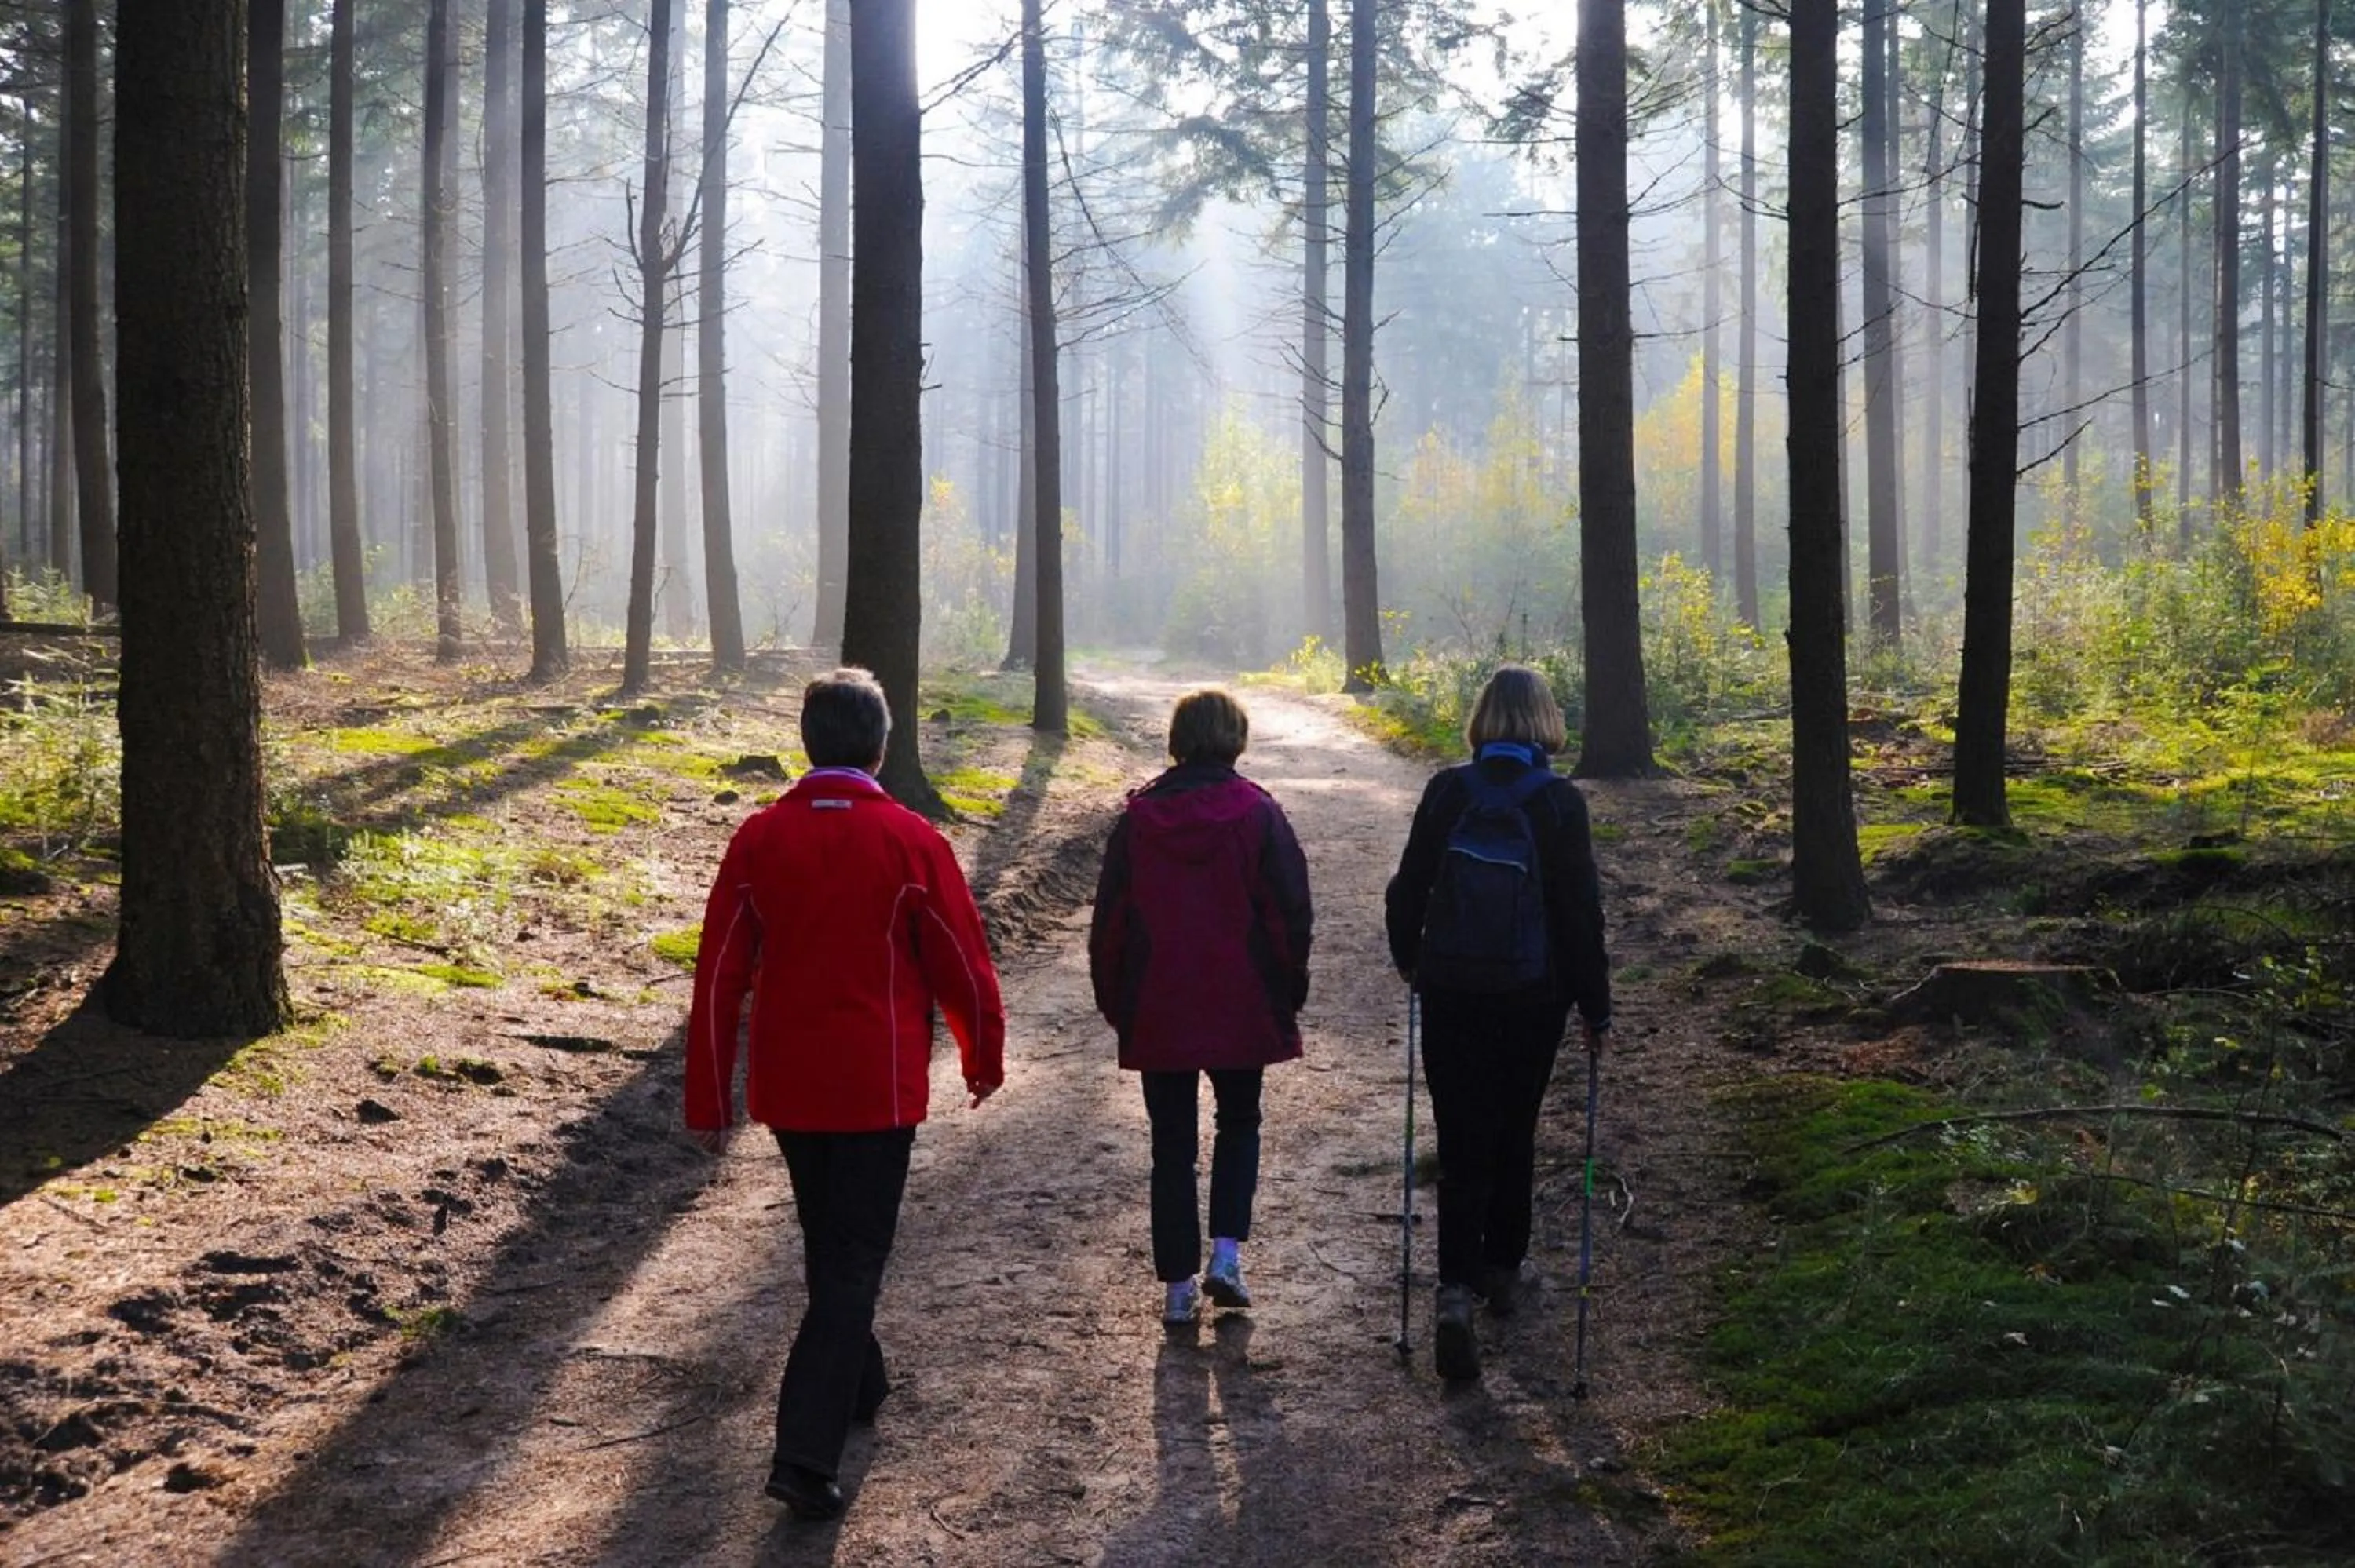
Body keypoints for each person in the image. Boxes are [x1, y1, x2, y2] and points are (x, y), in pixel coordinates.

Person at [682, 667, 1006, 1521]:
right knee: (853, 1260)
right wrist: (982, 1055)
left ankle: (863, 1383)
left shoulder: (759, 839)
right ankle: (803, 1455)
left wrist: (711, 1095)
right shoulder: (911, 840)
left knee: (833, 1245)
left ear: (807, 743)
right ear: (882, 747)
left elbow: (718, 975)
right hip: (876, 1090)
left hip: (791, 1088)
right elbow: (962, 963)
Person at [1383, 663, 1610, 1382]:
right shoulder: (1559, 803)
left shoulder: (1447, 791)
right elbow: (1579, 914)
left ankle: (1453, 1291)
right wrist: (1595, 1005)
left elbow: (1407, 887)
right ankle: (1503, 1270)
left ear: (1482, 721)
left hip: (1452, 988)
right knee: (1515, 1128)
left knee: (1460, 1140)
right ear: (1545, 722)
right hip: (1532, 995)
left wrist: (1410, 961)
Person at [1090, 687, 1313, 1327]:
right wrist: (1288, 989)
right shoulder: (1259, 813)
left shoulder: (1139, 819)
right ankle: (1226, 1256)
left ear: (1178, 738)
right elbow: (1290, 913)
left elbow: (1110, 924)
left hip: (1159, 1003)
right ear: (1235, 738)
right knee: (1239, 1123)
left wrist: (1117, 1002)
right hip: (1242, 1001)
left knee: (1171, 1147)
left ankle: (1177, 1289)